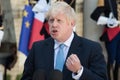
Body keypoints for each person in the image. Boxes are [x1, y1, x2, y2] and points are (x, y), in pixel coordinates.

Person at [21, 1, 108, 80]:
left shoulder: (91, 49)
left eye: (59, 20)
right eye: (51, 20)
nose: (54, 25)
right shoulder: (37, 48)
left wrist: (79, 71)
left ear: (72, 23)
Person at [90, 0, 120, 80]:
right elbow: (94, 15)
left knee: (119, 61)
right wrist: (107, 21)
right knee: (111, 59)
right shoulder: (106, 1)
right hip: (112, 33)